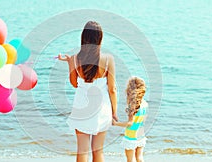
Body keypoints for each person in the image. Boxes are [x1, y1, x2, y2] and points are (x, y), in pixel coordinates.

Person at [58, 21, 118, 162]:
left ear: (83, 38)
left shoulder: (75, 58)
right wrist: (114, 112)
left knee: (82, 151)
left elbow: (74, 84)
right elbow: (112, 89)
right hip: (101, 109)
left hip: (81, 108)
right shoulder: (108, 59)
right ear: (100, 39)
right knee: (98, 152)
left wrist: (69, 63)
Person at [112, 77, 148, 162]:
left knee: (130, 160)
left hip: (131, 136)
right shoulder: (145, 104)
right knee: (139, 158)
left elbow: (130, 123)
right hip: (140, 134)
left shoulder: (132, 105)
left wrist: (116, 123)